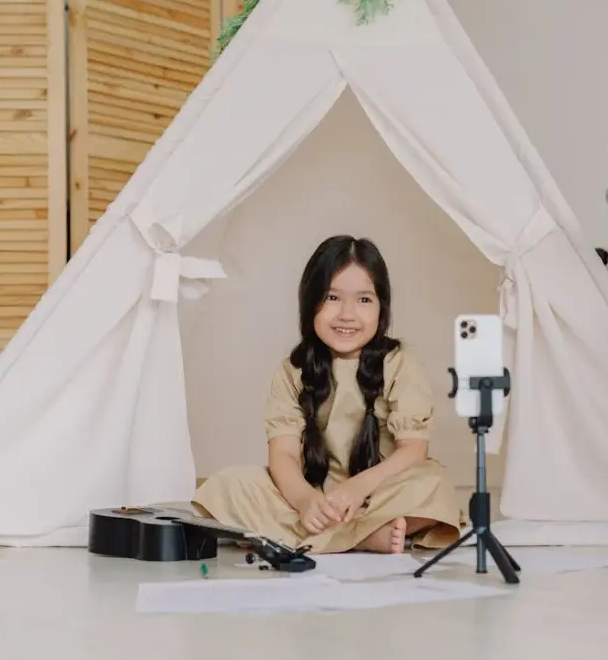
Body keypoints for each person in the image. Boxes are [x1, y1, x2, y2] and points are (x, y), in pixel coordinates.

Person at [193, 235, 464, 554]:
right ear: (310, 303)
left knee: (433, 483)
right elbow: (284, 455)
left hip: (378, 495)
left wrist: (355, 488)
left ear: (382, 308)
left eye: (364, 300)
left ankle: (323, 536)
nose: (347, 315)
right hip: (312, 499)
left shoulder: (398, 362)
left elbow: (412, 451)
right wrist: (306, 500)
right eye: (332, 298)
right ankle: (361, 537)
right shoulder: (292, 369)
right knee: (229, 486)